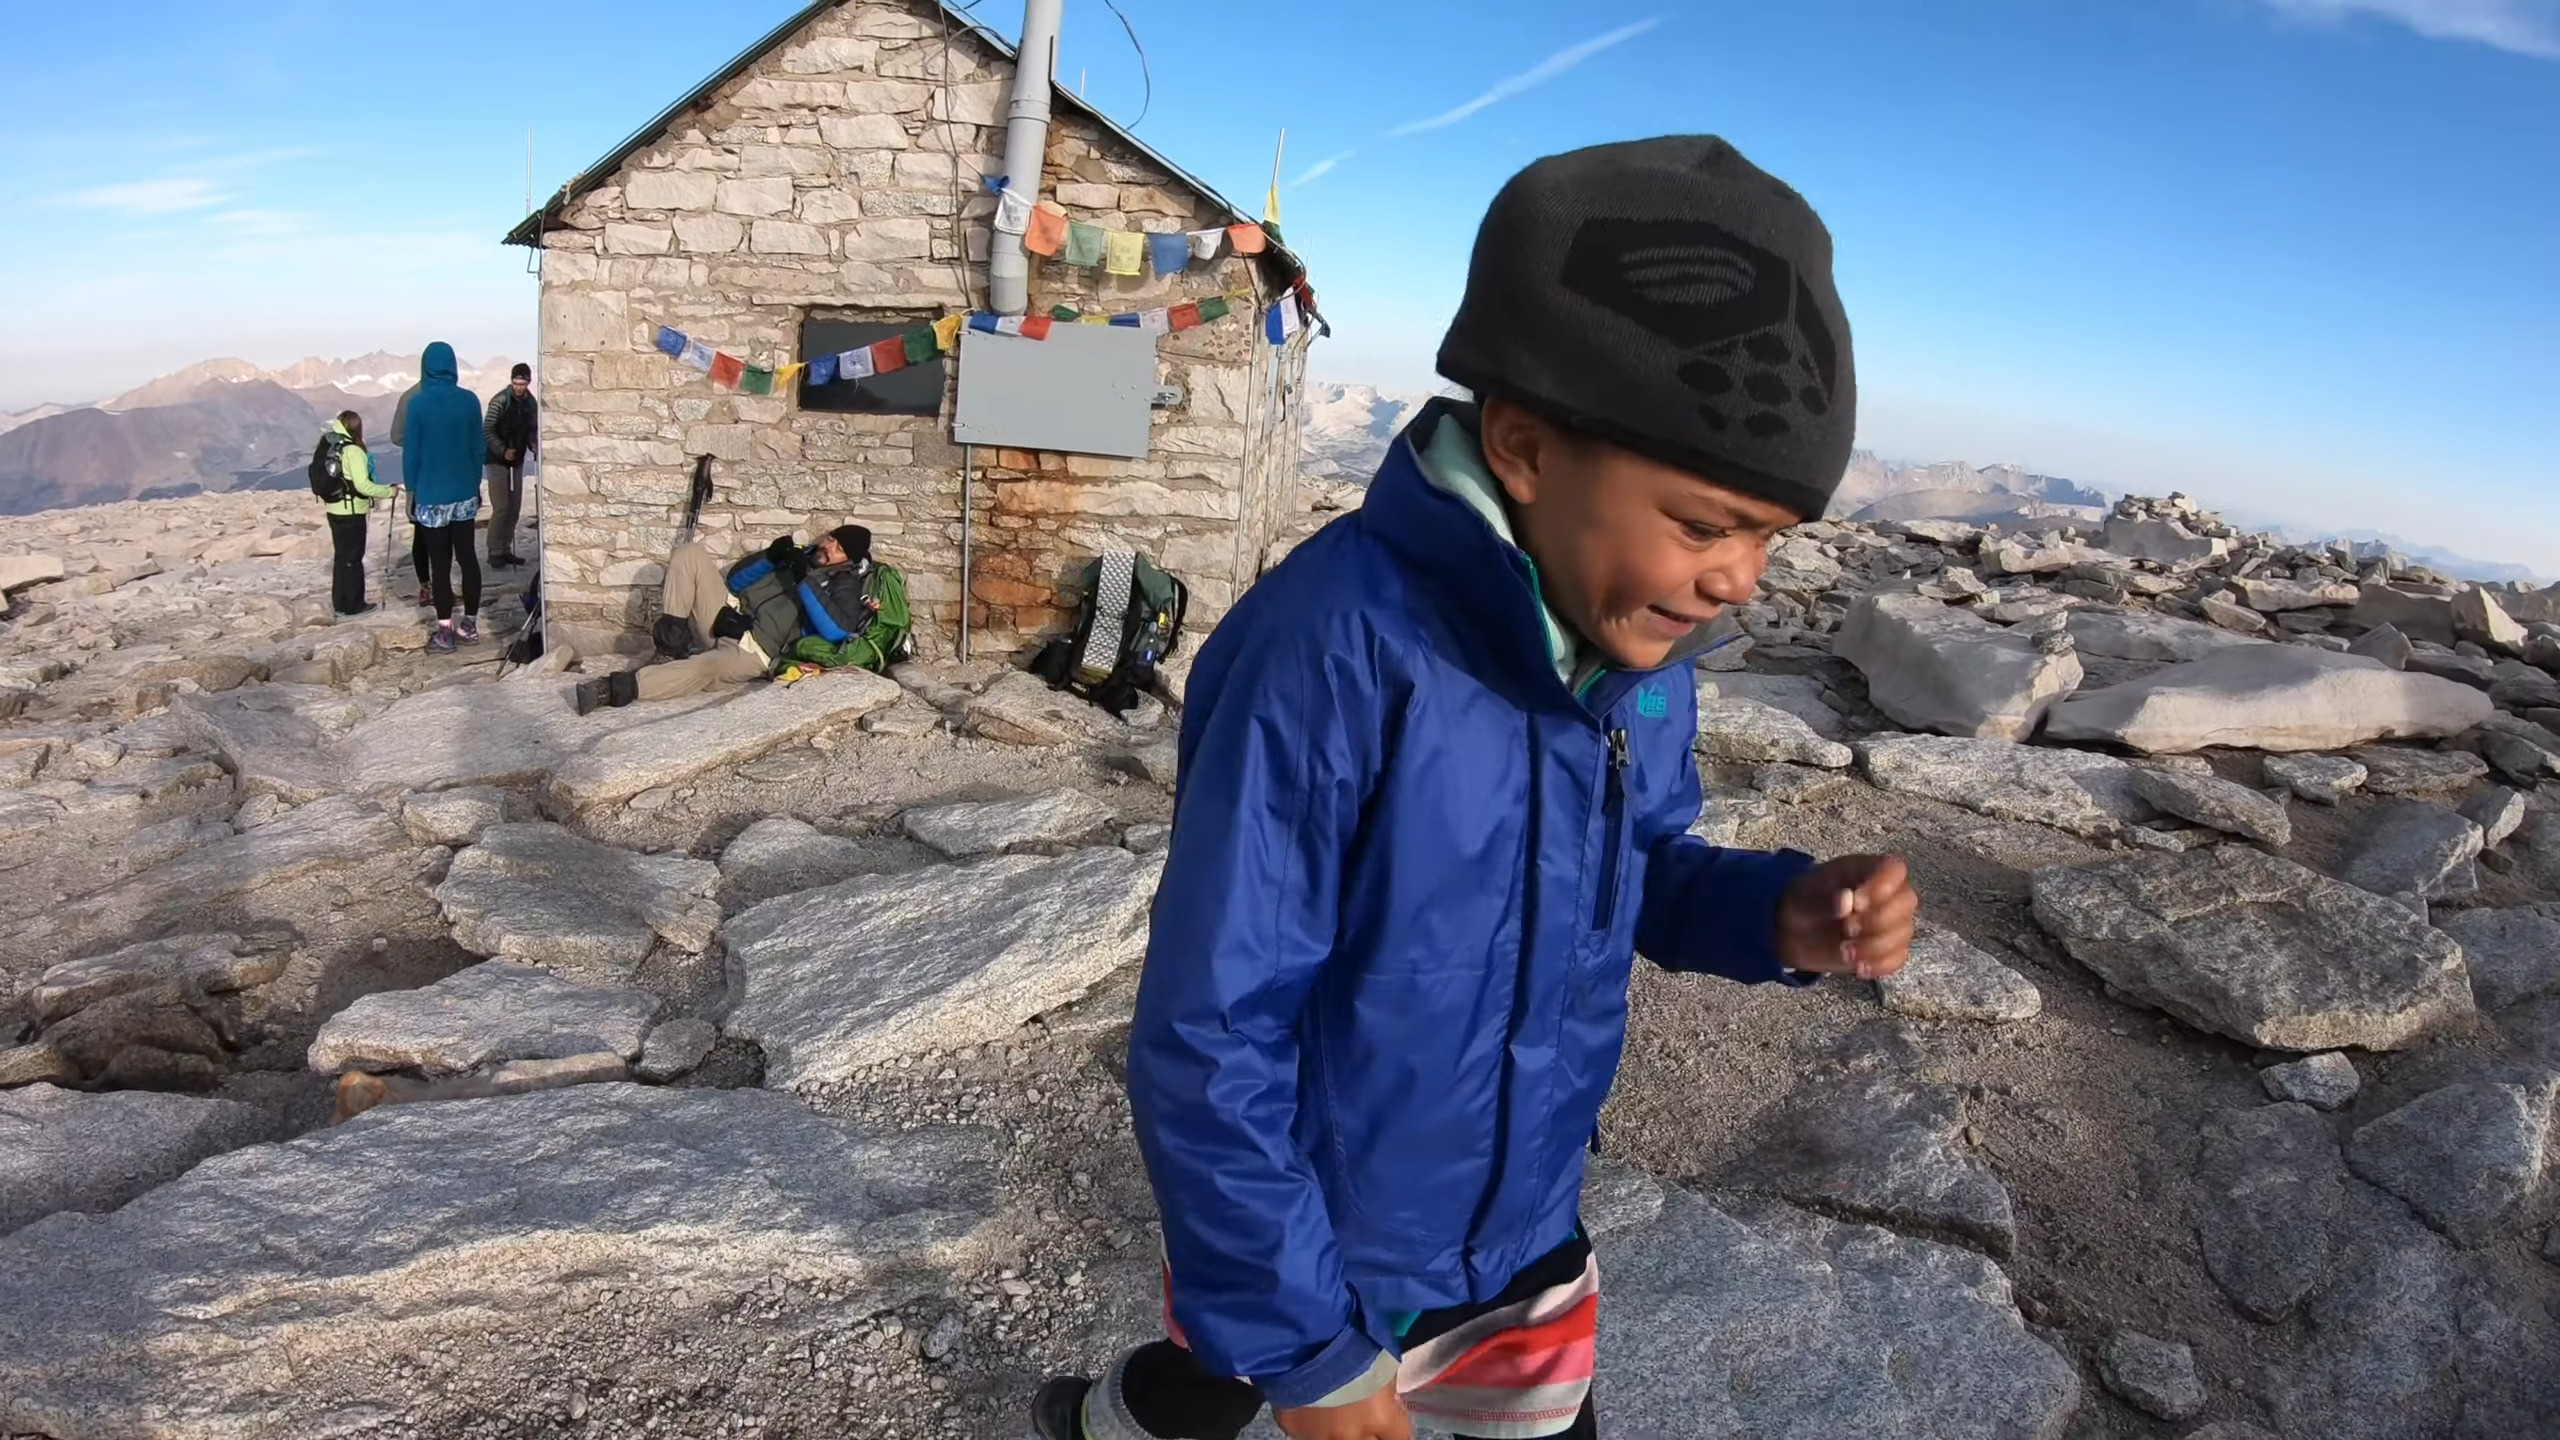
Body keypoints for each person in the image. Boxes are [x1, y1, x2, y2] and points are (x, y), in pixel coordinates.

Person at [1030, 136, 1920, 1440]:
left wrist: (1776, 915)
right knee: (1230, 1389)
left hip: (1521, 1229)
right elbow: (1214, 1030)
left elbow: (1647, 866)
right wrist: (1315, 1356)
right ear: (1524, 448)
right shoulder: (1328, 653)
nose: (1741, 580)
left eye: (1769, 539)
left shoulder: (1636, 647)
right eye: (1702, 523)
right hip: (1324, 1244)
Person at [573, 524, 875, 713]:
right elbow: (735, 581)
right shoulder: (801, 556)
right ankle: (670, 647)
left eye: (839, 548)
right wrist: (771, 557)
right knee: (689, 553)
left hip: (753, 652)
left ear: (849, 558)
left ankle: (615, 689)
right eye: (832, 539)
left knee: (704, 668)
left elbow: (836, 629)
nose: (829, 547)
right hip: (725, 619)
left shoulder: (844, 584)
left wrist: (802, 580)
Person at [400, 342, 487, 651]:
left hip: (431, 496)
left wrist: (412, 490)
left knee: (440, 564)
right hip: (464, 492)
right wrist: (475, 484)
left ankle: (445, 632)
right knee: (468, 559)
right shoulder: (470, 401)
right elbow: (478, 449)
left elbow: (412, 454)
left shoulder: (418, 404)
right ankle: (471, 626)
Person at [318, 410, 395, 616]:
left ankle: (340, 602)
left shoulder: (329, 444)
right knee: (353, 557)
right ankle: (354, 604)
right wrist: (389, 491)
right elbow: (363, 485)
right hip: (352, 511)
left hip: (333, 508)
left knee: (342, 557)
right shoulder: (353, 451)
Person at [483, 362, 538, 569]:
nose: (518, 387)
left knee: (514, 507)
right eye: (515, 383)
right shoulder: (500, 401)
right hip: (497, 459)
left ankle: (505, 548)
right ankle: (494, 550)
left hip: (517, 458)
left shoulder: (530, 403)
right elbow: (488, 429)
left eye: (522, 383)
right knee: (501, 506)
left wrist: (534, 444)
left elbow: (532, 428)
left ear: (528, 382)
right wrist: (502, 450)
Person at [391, 374, 430, 607]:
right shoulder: (457, 397)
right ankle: (443, 588)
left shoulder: (408, 397)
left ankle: (425, 586)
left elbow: (396, 436)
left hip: (416, 474)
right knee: (446, 538)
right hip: (447, 475)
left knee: (421, 534)